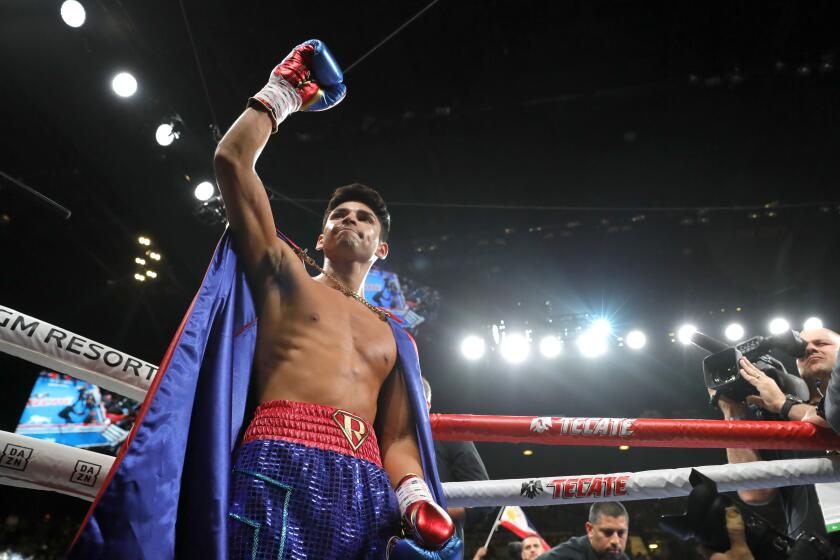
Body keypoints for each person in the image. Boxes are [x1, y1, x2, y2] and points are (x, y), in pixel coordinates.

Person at [210, 40, 460, 558]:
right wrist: (282, 92)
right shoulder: (287, 277)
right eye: (339, 215)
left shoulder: (397, 337)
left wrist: (414, 498)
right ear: (320, 238)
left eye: (364, 218)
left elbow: (396, 438)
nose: (350, 219)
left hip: (366, 480)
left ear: (381, 248)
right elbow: (233, 161)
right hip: (277, 456)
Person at [713, 327, 840, 539]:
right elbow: (755, 493)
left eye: (821, 343)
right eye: (801, 349)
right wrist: (733, 412)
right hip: (813, 547)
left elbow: (832, 417)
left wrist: (783, 403)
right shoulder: (783, 421)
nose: (809, 349)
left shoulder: (785, 408)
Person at [423, 377, 493, 543]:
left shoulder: (449, 436)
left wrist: (429, 515)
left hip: (440, 545)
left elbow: (484, 497)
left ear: (426, 405)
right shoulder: (381, 438)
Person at [537, 502, 630, 560]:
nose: (616, 541)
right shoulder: (565, 556)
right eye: (607, 532)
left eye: (621, 533)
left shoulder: (621, 557)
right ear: (590, 529)